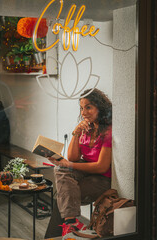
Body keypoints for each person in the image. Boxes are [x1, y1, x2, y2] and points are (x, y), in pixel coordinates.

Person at [48, 88, 112, 236]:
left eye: (88, 107)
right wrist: (76, 133)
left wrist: (68, 165)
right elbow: (73, 157)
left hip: (102, 179)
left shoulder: (108, 131)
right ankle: (71, 224)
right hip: (84, 172)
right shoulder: (86, 128)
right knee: (59, 170)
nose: (83, 113)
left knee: (62, 197)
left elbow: (101, 167)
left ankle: (62, 231)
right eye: (81, 108)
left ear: (100, 108)